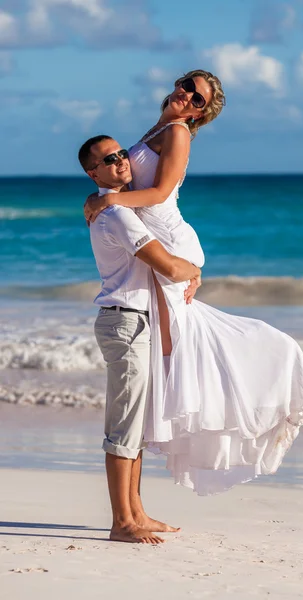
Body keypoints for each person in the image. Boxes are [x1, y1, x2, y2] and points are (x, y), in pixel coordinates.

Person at [84, 69, 303, 497]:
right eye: (185, 84)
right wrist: (106, 197)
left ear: (199, 113)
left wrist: (108, 199)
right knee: (171, 352)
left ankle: (243, 395)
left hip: (167, 238)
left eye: (196, 97)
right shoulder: (157, 128)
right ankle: (140, 482)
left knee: (180, 347)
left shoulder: (178, 133)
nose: (186, 94)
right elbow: (122, 177)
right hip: (154, 247)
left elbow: (158, 193)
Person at [78, 134, 201, 544]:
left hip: (135, 322)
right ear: (92, 172)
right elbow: (164, 264)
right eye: (107, 160)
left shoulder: (120, 207)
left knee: (137, 426)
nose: (120, 162)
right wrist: (195, 269)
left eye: (121, 155)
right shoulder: (117, 215)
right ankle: (121, 522)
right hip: (125, 324)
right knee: (124, 428)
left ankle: (136, 512)